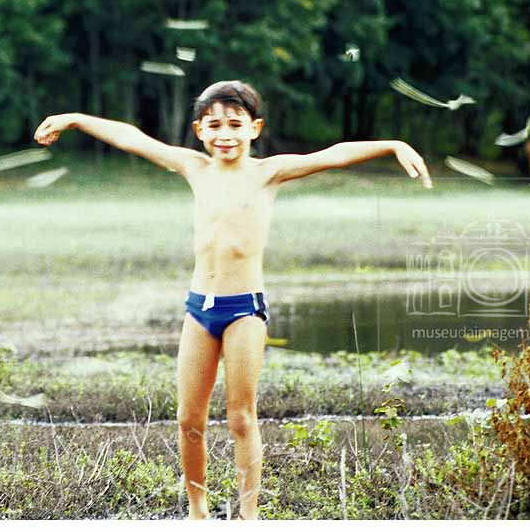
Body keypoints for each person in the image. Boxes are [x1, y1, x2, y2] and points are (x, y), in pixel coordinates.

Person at [34, 80, 432, 520]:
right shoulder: (193, 167)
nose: (225, 134)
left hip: (245, 309)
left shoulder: (268, 173)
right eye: (215, 125)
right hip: (199, 309)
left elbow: (332, 154)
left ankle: (247, 518)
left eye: (235, 124)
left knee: (241, 417)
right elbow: (133, 138)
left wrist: (393, 145)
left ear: (254, 128)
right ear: (199, 131)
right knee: (189, 419)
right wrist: (75, 119)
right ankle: (198, 514)